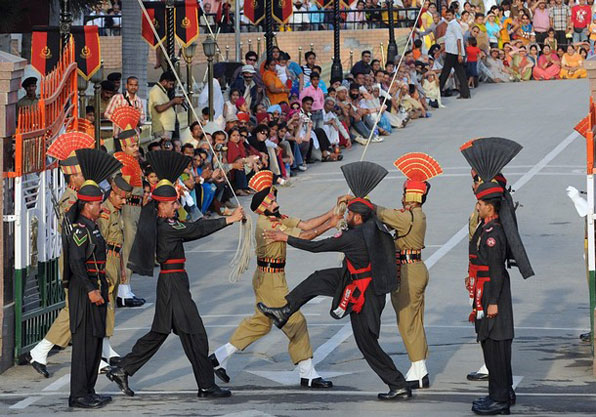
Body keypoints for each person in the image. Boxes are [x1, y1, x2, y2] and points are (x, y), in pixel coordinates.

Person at [258, 161, 411, 401]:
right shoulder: (371, 224)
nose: (347, 216)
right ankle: (285, 310)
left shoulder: (353, 237)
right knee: (319, 278)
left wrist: (283, 237)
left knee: (367, 343)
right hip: (352, 278)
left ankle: (398, 384)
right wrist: (346, 204)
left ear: (358, 218)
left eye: (350, 214)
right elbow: (360, 212)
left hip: (365, 294)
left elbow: (315, 246)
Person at [106, 150, 245, 398]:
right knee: (196, 334)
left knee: (159, 334)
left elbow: (191, 226)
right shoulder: (166, 226)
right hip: (174, 284)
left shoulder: (165, 222)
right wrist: (229, 220)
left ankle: (124, 369)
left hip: (174, 282)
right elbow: (195, 229)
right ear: (160, 207)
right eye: (172, 204)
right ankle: (206, 385)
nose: (176, 206)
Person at [210, 170, 338, 388]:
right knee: (295, 321)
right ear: (262, 206)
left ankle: (218, 357)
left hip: (269, 277)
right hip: (271, 280)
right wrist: (331, 224)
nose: (275, 202)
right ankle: (308, 373)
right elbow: (306, 237)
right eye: (271, 200)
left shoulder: (275, 217)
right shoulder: (268, 225)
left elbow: (305, 225)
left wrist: (332, 213)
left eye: (275, 197)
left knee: (260, 324)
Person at [460, 137, 534, 416]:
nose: (476, 205)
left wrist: (490, 302)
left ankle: (500, 399)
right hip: (486, 291)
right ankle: (497, 394)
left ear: (489, 206)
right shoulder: (488, 225)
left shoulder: (492, 235)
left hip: (493, 294)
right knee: (491, 346)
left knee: (496, 348)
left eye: (480, 202)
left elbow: (494, 272)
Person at [23, 132, 95, 378]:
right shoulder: (70, 197)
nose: (83, 175)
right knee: (74, 308)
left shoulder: (81, 193)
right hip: (75, 256)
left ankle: (104, 356)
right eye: (79, 172)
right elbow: (61, 225)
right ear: (73, 175)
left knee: (85, 308)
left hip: (85, 254)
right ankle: (41, 351)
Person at [375, 152, 443, 390]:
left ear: (412, 195)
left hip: (407, 271)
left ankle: (419, 368)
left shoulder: (408, 217)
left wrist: (363, 203)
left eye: (405, 193)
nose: (402, 197)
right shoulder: (417, 215)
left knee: (407, 322)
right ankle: (418, 366)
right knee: (415, 320)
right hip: (415, 268)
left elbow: (381, 213)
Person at [65, 148, 122, 408]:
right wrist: (90, 289)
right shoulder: (80, 231)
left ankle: (89, 391)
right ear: (88, 205)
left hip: (97, 290)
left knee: (95, 343)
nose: (102, 206)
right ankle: (78, 395)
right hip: (84, 292)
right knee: (84, 346)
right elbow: (76, 263)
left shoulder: (93, 227)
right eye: (98, 203)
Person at [96, 174, 133, 372]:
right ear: (113, 194)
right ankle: (102, 348)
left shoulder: (116, 211)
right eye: (121, 198)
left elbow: (118, 244)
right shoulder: (105, 212)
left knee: (111, 307)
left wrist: (122, 271)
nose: (124, 201)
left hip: (114, 259)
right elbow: (100, 242)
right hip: (105, 261)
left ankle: (106, 346)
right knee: (105, 305)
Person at [113, 117, 145, 308]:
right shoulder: (124, 162)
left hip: (135, 206)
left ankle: (126, 289)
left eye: (136, 144)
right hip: (129, 209)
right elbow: (123, 188)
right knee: (128, 250)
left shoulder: (131, 160)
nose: (135, 148)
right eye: (132, 145)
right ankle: (123, 291)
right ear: (124, 146)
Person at [440, 8, 471, 99]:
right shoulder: (450, 24)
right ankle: (465, 93)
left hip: (453, 52)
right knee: (459, 72)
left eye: (449, 15)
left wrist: (460, 53)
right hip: (451, 51)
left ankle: (437, 92)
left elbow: (459, 39)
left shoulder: (454, 25)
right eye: (447, 15)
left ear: (453, 15)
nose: (448, 17)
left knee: (445, 72)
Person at [148, 71, 183, 139]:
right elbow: (159, 108)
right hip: (162, 128)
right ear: (164, 82)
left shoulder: (162, 91)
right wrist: (173, 101)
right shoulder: (156, 91)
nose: (171, 87)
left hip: (166, 128)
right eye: (170, 84)